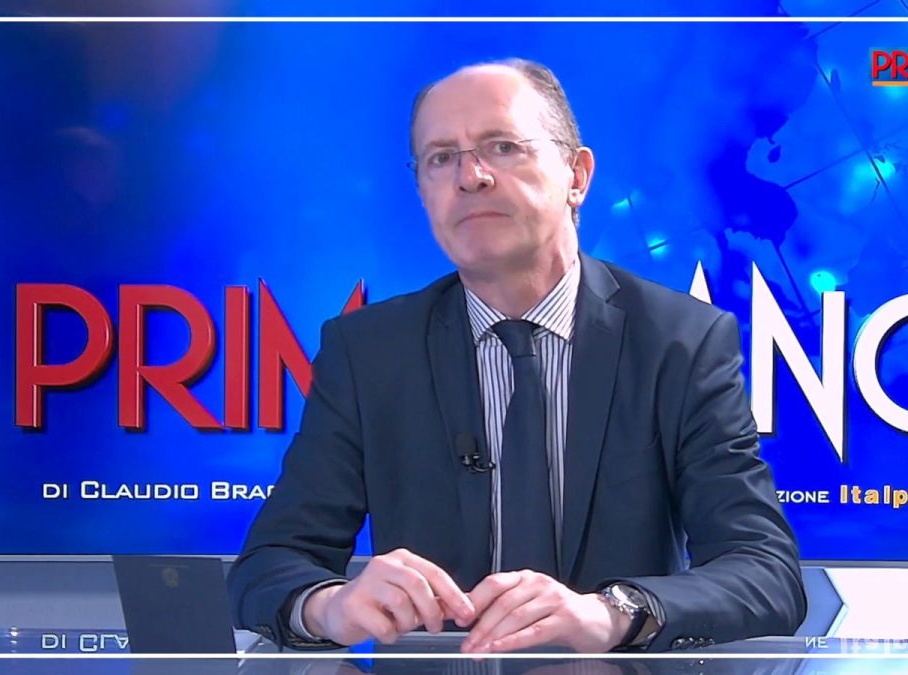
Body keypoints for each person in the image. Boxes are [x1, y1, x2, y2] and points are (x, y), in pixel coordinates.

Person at [227, 57, 806, 654]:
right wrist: (329, 605)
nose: (469, 176)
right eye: (440, 158)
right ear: (422, 191)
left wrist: (613, 612)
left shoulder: (680, 340)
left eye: (502, 147)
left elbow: (766, 574)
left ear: (577, 175)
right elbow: (268, 566)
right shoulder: (368, 351)